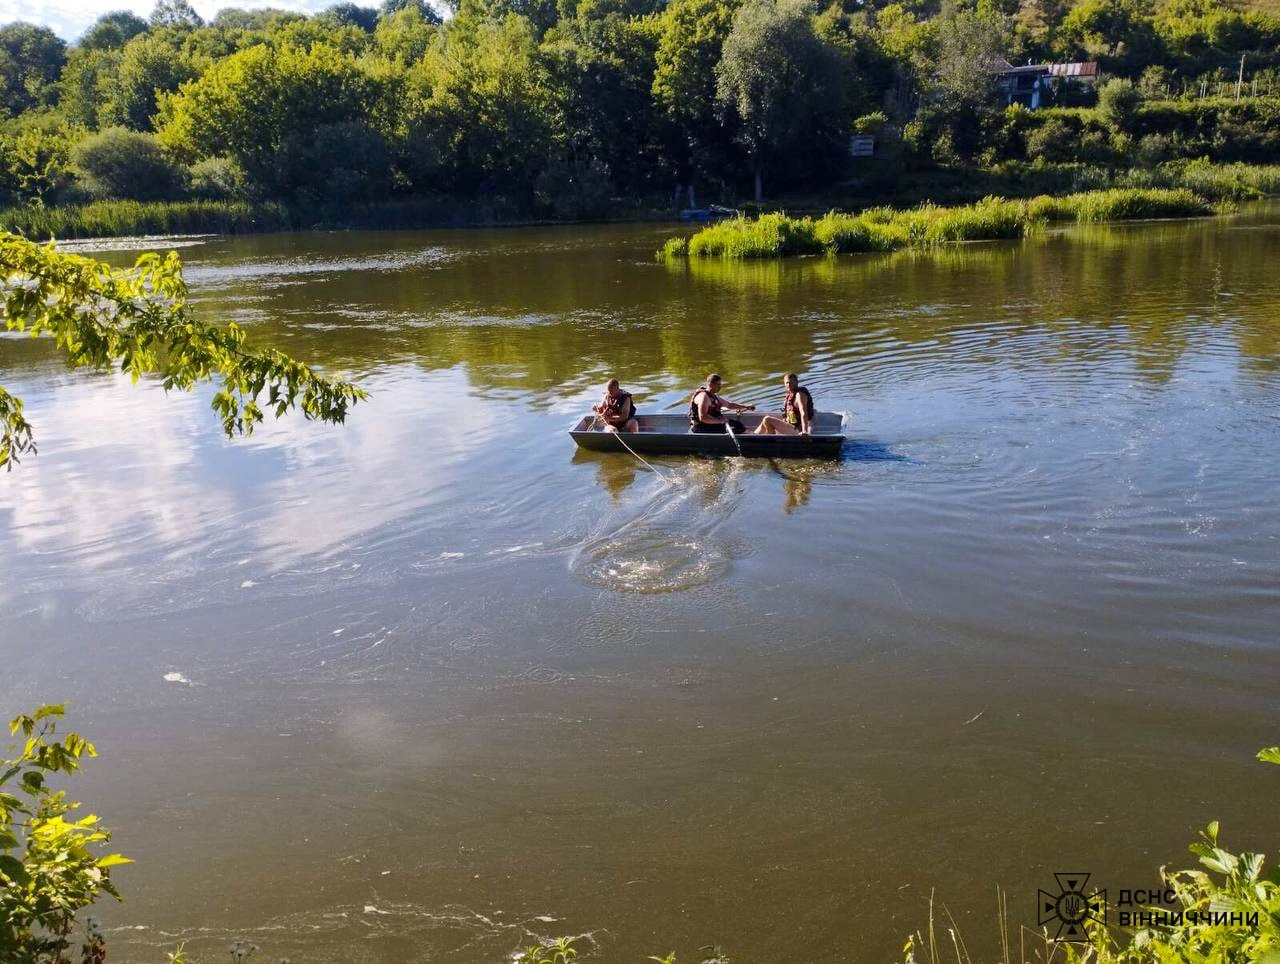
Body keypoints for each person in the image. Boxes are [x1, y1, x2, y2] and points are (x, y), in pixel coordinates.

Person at [689, 373, 754, 433]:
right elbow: (703, 418)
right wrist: (720, 421)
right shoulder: (703, 397)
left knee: (738, 425)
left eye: (720, 384)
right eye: (718, 384)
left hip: (711, 423)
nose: (720, 387)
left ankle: (747, 434)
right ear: (710, 384)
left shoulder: (713, 395)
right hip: (700, 427)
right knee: (735, 429)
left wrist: (745, 406)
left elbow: (729, 405)